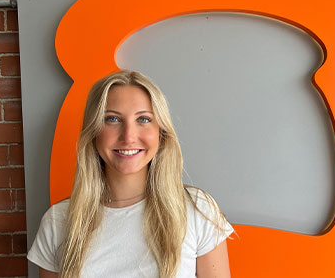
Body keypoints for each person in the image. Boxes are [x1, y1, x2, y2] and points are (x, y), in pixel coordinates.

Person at [27, 70, 234, 278]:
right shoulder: (59, 221)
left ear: (161, 133)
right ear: (94, 132)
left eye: (143, 119)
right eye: (112, 119)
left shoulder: (197, 210)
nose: (128, 136)